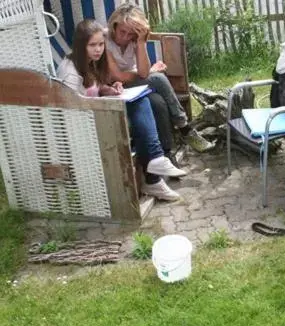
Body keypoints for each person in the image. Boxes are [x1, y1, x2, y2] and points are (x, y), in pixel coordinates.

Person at [56, 19, 186, 201]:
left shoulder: (91, 61)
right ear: (80, 45)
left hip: (98, 113)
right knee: (142, 109)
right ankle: (154, 174)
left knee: (144, 101)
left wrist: (108, 89)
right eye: (92, 45)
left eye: (101, 44)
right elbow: (71, 108)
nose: (98, 49)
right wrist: (105, 101)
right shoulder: (70, 71)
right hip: (85, 125)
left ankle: (156, 167)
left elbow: (95, 87)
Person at [105, 3, 214, 153]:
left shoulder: (135, 40)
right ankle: (185, 128)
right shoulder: (105, 41)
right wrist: (150, 71)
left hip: (130, 86)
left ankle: (167, 153)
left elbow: (142, 73)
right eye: (122, 31)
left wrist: (141, 42)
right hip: (112, 88)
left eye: (130, 34)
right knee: (158, 79)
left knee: (158, 102)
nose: (125, 37)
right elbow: (118, 75)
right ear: (114, 26)